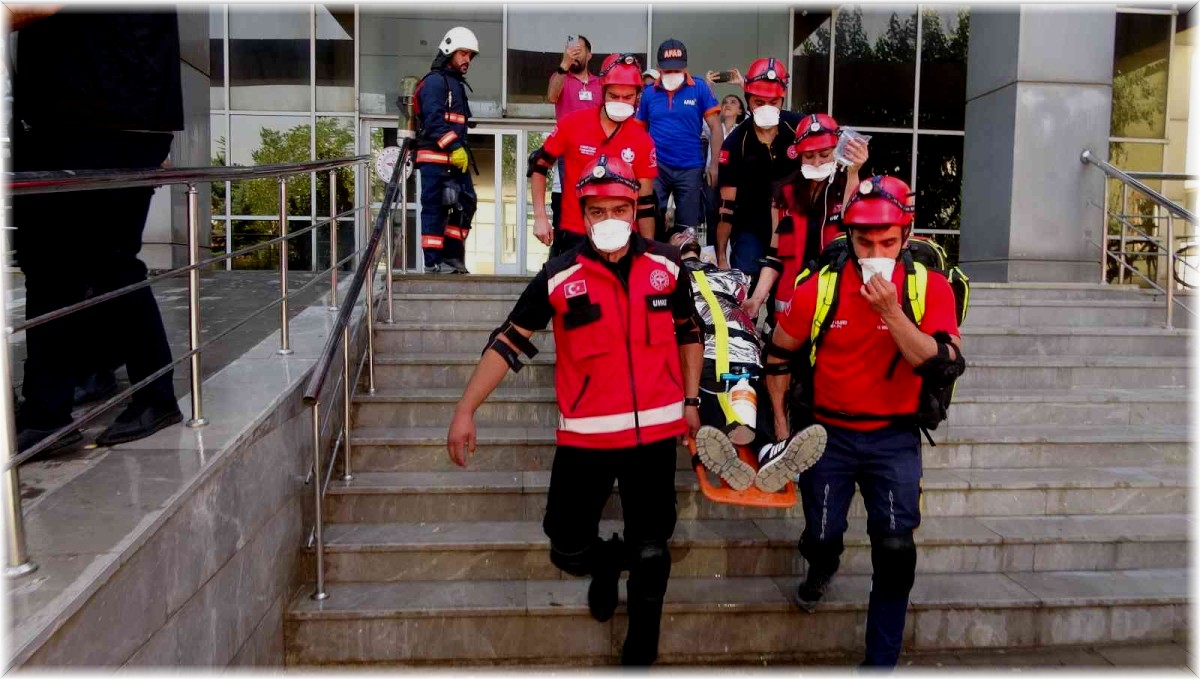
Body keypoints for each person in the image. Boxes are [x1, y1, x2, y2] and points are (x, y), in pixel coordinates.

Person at [448, 155, 703, 666]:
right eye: (597, 210)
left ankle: (641, 649)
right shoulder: (560, 274)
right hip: (585, 440)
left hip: (654, 435)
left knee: (652, 547)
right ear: (581, 215)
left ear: (636, 210)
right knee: (565, 546)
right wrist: (465, 409)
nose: (609, 219)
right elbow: (509, 341)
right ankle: (608, 562)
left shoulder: (667, 266)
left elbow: (690, 332)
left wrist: (692, 401)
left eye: (620, 209)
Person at [762, 175, 964, 668]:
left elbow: (943, 363)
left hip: (894, 437)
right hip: (827, 435)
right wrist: (784, 431)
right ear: (848, 235)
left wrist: (892, 313)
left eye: (888, 242)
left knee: (895, 551)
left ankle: (880, 664)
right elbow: (778, 355)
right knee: (824, 534)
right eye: (865, 240)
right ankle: (821, 566)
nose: (876, 250)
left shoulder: (928, 287)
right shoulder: (820, 287)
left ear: (907, 235)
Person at [10, 8, 185, 452]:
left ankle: (151, 395)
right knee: (53, 266)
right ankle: (49, 409)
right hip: (82, 115)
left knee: (105, 263)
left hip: (104, 117)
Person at [678, 240, 826, 493]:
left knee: (713, 392)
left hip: (709, 350)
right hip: (741, 350)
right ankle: (765, 449)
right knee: (750, 391)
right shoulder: (732, 277)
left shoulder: (672, 276)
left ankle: (731, 445)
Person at [743, 113, 869, 320]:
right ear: (799, 156)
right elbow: (774, 257)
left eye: (824, 154)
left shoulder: (849, 187)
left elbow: (852, 219)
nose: (817, 162)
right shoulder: (783, 196)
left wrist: (853, 172)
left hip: (836, 306)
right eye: (809, 156)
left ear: (836, 153)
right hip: (788, 308)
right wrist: (757, 299)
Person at [530, 53, 658, 257]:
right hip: (576, 233)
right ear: (603, 91)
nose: (621, 102)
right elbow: (538, 165)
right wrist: (540, 216)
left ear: (638, 96)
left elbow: (645, 203)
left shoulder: (642, 140)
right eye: (614, 96)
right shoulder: (572, 123)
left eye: (628, 97)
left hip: (622, 240)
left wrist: (648, 250)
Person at [715, 57, 803, 282]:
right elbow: (726, 207)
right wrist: (721, 256)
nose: (766, 108)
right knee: (747, 284)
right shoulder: (735, 144)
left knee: (789, 289)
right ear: (748, 100)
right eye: (758, 102)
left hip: (793, 224)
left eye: (773, 102)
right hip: (749, 227)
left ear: (782, 99)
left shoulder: (799, 128)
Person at [637, 39, 721, 242]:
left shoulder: (700, 88)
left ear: (685, 67)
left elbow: (716, 127)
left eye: (677, 69)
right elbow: (639, 132)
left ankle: (684, 269)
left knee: (687, 229)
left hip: (690, 167)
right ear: (659, 69)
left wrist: (714, 165)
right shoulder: (649, 94)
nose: (672, 74)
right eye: (667, 70)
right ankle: (653, 265)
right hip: (657, 167)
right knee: (651, 221)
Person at [414, 26, 479, 274]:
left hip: (454, 158)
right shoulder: (434, 83)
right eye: (463, 54)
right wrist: (454, 146)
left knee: (467, 201)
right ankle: (432, 262)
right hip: (435, 159)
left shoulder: (455, 85)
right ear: (450, 51)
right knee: (434, 208)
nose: (467, 60)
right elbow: (433, 121)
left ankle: (451, 255)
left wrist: (458, 150)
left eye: (470, 56)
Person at [546, 36, 601, 237]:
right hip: (569, 152)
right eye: (571, 50)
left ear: (589, 54)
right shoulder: (560, 78)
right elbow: (552, 96)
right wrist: (563, 65)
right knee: (572, 200)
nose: (575, 54)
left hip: (598, 152)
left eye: (579, 50)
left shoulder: (600, 83)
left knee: (597, 199)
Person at [703, 93, 746, 244]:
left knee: (730, 214)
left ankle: (731, 251)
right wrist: (708, 87)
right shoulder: (714, 128)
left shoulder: (743, 129)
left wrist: (743, 84)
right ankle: (711, 252)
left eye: (733, 102)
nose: (727, 104)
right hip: (713, 177)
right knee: (712, 214)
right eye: (725, 102)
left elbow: (756, 114)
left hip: (734, 180)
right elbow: (703, 110)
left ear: (740, 111)